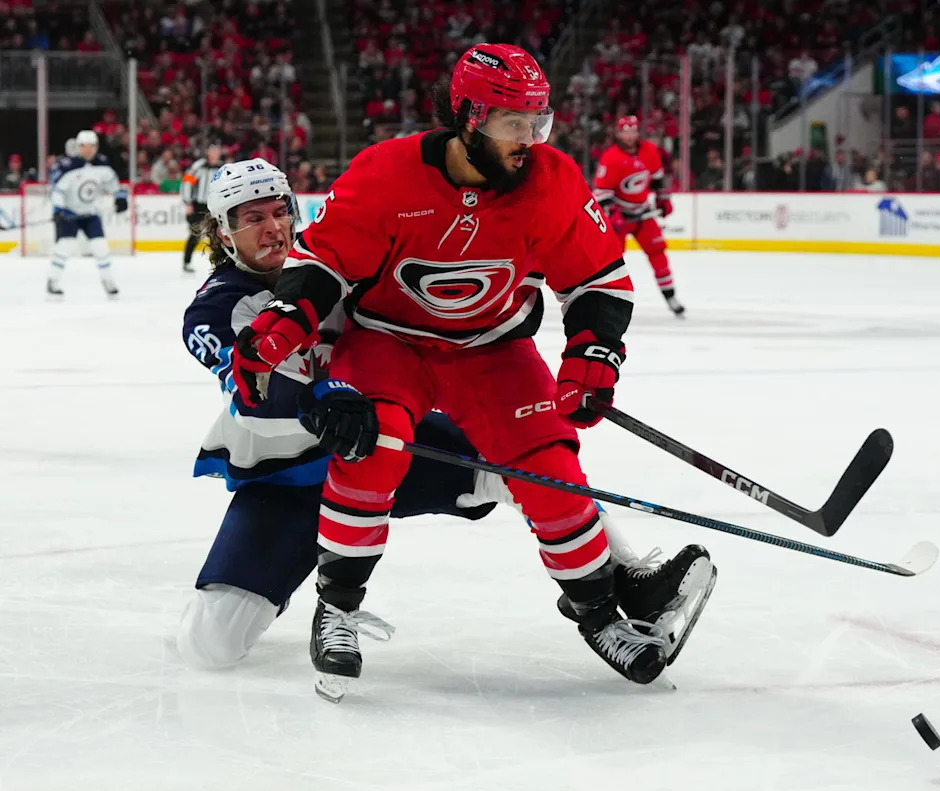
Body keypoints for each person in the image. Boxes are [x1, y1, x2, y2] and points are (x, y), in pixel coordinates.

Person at [231, 45, 716, 701]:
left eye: (537, 122)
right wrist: (284, 327)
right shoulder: (386, 174)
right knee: (371, 448)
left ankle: (598, 614)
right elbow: (324, 266)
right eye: (514, 123)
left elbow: (600, 277)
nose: (530, 140)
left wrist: (592, 355)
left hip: (492, 350)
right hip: (389, 343)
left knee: (550, 472)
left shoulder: (554, 181)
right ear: (468, 116)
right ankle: (338, 606)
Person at [593, 116, 684, 317]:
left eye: (632, 130)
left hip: (643, 214)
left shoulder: (649, 151)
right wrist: (614, 213)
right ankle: (605, 301)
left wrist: (663, 199)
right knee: (611, 261)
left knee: (658, 252)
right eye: (625, 131)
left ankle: (670, 296)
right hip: (619, 219)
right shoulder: (611, 158)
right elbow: (602, 192)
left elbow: (658, 179)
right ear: (617, 133)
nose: (629, 135)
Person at [46, 130, 128, 297]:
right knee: (64, 247)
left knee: (101, 247)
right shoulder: (67, 166)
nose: (88, 150)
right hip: (69, 214)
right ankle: (53, 281)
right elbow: (56, 191)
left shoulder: (103, 164)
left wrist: (120, 197)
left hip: (90, 213)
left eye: (92, 146)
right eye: (84, 146)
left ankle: (108, 281)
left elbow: (113, 183)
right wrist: (58, 209)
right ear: (78, 147)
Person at [181, 144, 225, 274]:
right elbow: (187, 182)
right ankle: (187, 261)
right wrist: (188, 202)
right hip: (199, 205)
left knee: (217, 235)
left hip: (215, 206)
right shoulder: (199, 166)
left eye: (217, 151)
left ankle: (218, 261)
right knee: (196, 234)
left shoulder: (222, 168)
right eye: (212, 151)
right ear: (208, 152)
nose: (215, 153)